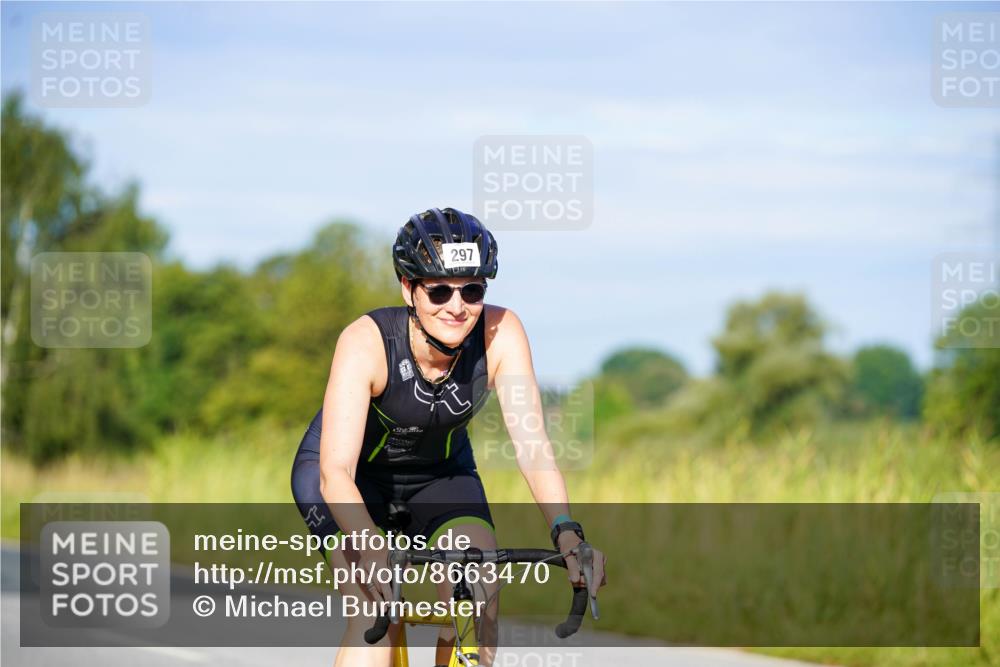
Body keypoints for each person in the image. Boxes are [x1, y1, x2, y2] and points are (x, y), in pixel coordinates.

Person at [291, 207, 606, 667]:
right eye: (438, 291)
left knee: (478, 598)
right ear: (408, 288)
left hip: (440, 476)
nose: (457, 307)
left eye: (472, 290)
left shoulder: (501, 334)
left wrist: (566, 533)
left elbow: (534, 448)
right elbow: (335, 472)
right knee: (375, 611)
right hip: (349, 480)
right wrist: (369, 542)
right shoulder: (366, 342)